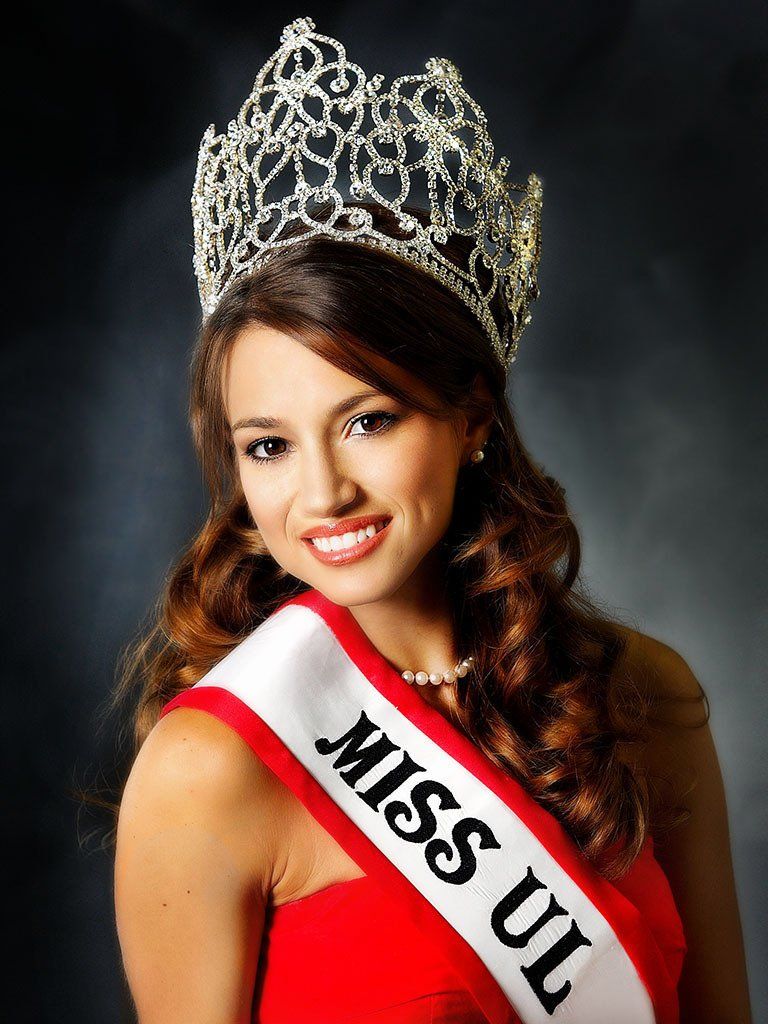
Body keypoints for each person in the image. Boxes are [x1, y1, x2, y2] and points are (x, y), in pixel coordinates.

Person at [111, 17, 751, 1024]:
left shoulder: (640, 699)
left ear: (473, 419)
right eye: (267, 443)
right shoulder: (210, 770)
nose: (321, 494)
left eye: (368, 419)